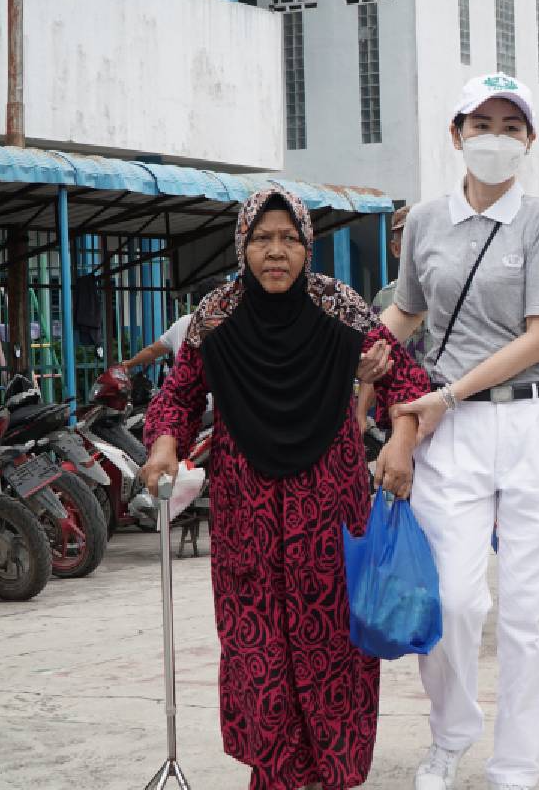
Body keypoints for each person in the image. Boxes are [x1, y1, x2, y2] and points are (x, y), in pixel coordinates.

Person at [140, 188, 429, 790]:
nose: (276, 252)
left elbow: (407, 381)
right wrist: (165, 444)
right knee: (256, 649)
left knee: (331, 645)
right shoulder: (214, 317)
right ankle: (275, 772)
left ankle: (333, 770)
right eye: (262, 239)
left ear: (307, 246)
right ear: (242, 245)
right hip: (247, 509)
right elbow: (177, 397)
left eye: (288, 239)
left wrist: (400, 441)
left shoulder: (340, 306)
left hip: (328, 501)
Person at [379, 73, 539, 790]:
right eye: (481, 122)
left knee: (532, 609)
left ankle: (516, 765)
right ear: (456, 133)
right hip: (454, 431)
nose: (494, 136)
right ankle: (451, 734)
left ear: (529, 139)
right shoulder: (429, 222)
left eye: (510, 124)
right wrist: (355, 359)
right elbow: (405, 313)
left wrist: (442, 392)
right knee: (454, 600)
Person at [356, 203, 426, 433]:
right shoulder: (384, 299)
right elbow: (374, 360)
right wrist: (359, 414)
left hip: (443, 407)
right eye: (409, 241)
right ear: (396, 249)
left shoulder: (450, 292)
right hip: (399, 415)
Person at [120, 277, 227, 370]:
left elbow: (152, 351)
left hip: (185, 391)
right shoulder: (227, 326)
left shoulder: (183, 323)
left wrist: (129, 364)